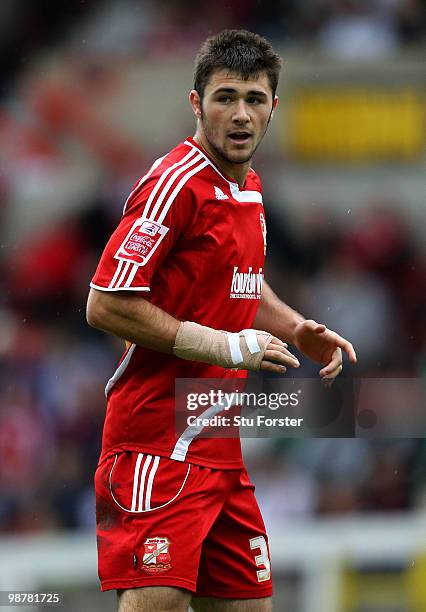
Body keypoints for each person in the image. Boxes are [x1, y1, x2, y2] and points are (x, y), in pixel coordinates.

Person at [86, 29, 357, 612]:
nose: (240, 115)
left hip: (217, 445)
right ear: (195, 103)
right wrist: (224, 346)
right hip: (155, 444)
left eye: (254, 100)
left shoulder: (249, 188)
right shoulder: (173, 184)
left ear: (273, 108)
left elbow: (238, 281)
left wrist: (295, 326)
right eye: (225, 97)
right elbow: (106, 302)